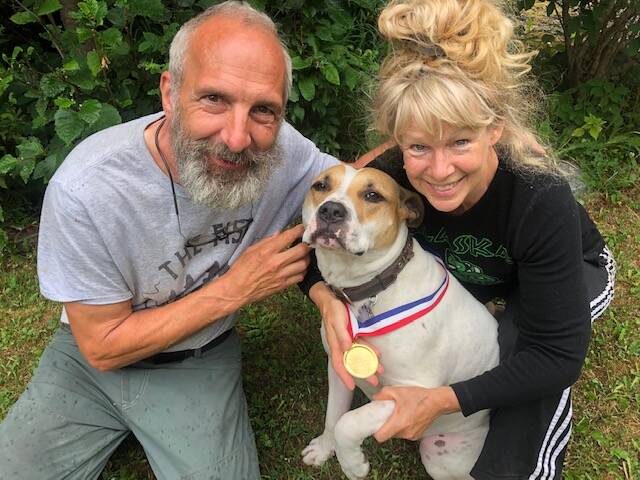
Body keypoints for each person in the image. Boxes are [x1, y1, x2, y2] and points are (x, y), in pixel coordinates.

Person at [0, 2, 338, 479]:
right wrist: (235, 288)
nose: (238, 137)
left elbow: (359, 185)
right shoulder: (87, 188)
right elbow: (101, 346)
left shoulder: (285, 151)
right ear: (170, 92)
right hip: (90, 360)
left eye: (263, 110)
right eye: (214, 99)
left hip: (199, 357)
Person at [303, 0, 616, 478]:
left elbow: (558, 357)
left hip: (575, 266)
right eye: (418, 146)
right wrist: (327, 299)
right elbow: (315, 237)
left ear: (495, 130)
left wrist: (446, 400)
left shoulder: (538, 195)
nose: (440, 170)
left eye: (461, 142)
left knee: (520, 348)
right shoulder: (387, 178)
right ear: (398, 143)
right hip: (479, 276)